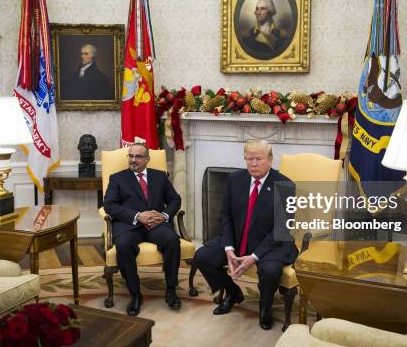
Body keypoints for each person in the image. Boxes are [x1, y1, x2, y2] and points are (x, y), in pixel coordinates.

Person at [193, 140, 297, 330]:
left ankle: (265, 308)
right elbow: (225, 215)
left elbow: (281, 228)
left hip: (272, 243)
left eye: (258, 159)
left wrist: (254, 257)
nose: (253, 164)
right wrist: (229, 248)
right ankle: (233, 293)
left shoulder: (285, 185)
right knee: (203, 256)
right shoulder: (235, 179)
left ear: (270, 160)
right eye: (249, 159)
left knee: (270, 271)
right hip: (240, 238)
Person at [103, 143, 182, 316]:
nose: (133, 160)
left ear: (147, 159)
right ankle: (135, 294)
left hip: (156, 223)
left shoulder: (160, 177)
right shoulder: (117, 178)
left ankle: (171, 289)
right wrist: (137, 215)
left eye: (138, 157)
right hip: (129, 225)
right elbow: (109, 205)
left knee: (172, 240)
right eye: (130, 156)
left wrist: (164, 216)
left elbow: (175, 200)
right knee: (123, 246)